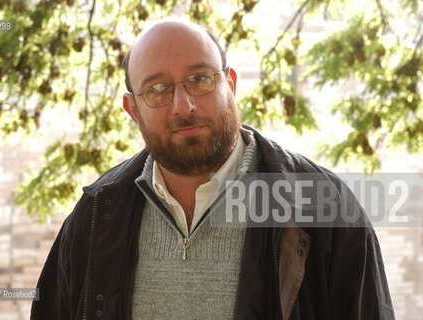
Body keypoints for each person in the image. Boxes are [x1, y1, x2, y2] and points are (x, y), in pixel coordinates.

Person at [31, 18, 395, 320]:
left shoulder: (324, 208)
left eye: (200, 78)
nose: (183, 105)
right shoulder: (95, 215)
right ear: (132, 110)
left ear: (230, 84)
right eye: (157, 89)